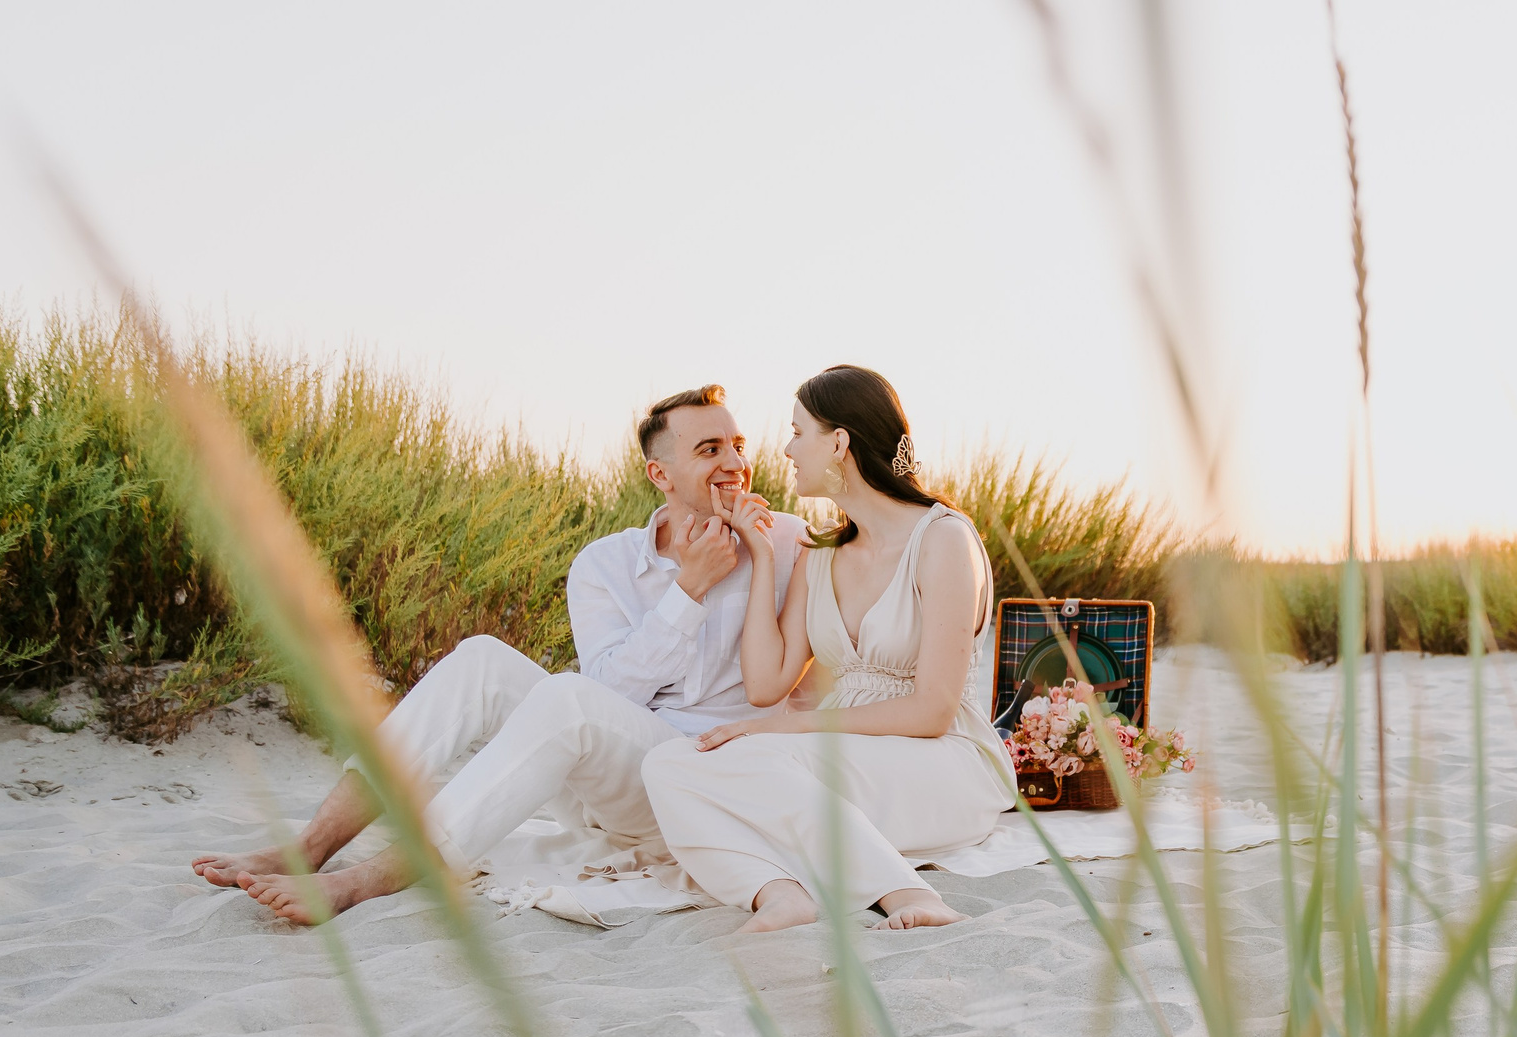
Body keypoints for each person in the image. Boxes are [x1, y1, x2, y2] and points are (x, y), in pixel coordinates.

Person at [194, 384, 805, 924]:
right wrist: (688, 590)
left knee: (566, 700)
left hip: (699, 788)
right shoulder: (606, 564)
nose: (736, 464)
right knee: (484, 658)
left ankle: (367, 880)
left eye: (737, 445)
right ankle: (312, 847)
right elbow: (610, 695)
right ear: (659, 475)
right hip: (609, 782)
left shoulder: (785, 541)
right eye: (709, 450)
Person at [642, 365, 1014, 933]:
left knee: (757, 762)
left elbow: (932, 711)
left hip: (943, 759)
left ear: (838, 442)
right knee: (669, 763)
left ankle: (906, 892)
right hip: (844, 758)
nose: (786, 449)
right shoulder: (820, 551)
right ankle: (779, 894)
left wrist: (783, 729)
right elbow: (768, 685)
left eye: (798, 432)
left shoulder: (943, 539)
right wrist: (763, 554)